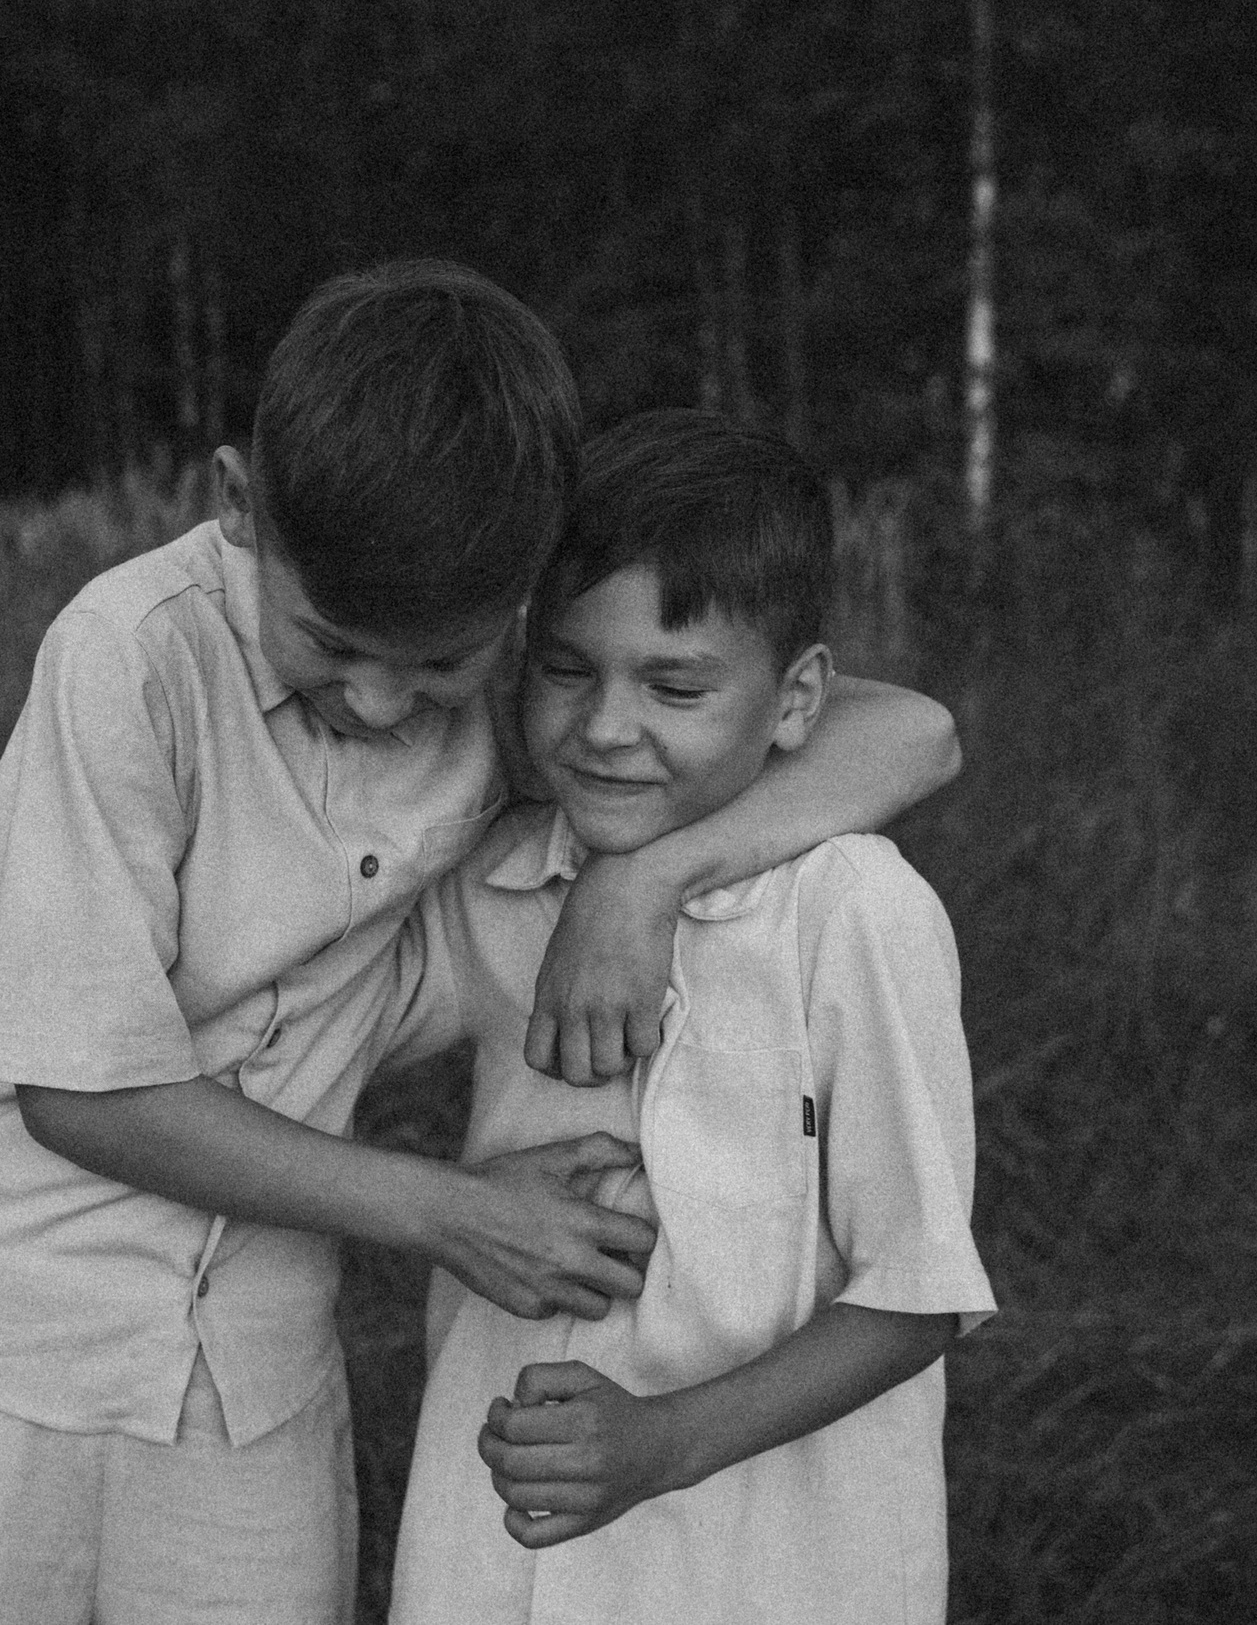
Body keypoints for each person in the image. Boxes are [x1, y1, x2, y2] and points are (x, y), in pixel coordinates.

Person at [0, 262, 960, 1625]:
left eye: (444, 663)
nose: (384, 699)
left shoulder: (534, 687)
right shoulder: (130, 657)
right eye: (328, 641)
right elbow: (81, 1089)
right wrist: (455, 1210)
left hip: (254, 1372)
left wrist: (648, 882)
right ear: (235, 506)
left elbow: (911, 728)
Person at [381, 410, 995, 1625]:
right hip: (499, 1549)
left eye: (673, 685)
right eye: (566, 669)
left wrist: (661, 1445)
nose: (607, 728)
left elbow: (917, 1294)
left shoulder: (854, 911)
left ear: (797, 698)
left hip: (777, 1565)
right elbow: (297, 1014)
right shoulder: (496, 884)